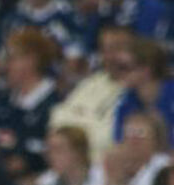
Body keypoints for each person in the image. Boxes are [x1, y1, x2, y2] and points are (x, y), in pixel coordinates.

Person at [0, 28, 60, 184]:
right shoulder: (1, 98)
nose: (4, 66)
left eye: (11, 59)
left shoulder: (55, 105)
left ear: (31, 60)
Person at [49, 23, 132, 163]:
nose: (109, 56)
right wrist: (92, 124)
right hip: (71, 166)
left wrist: (80, 118)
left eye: (116, 49)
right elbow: (57, 119)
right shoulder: (91, 83)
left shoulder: (134, 91)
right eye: (105, 50)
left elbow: (107, 138)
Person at [111, 37, 174, 144]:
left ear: (146, 70)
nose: (119, 73)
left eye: (124, 67)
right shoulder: (125, 101)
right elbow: (120, 141)